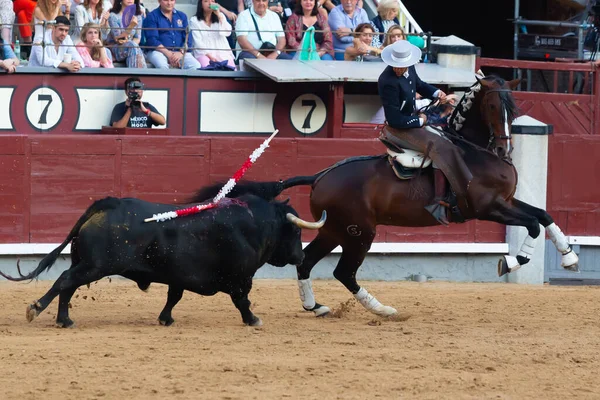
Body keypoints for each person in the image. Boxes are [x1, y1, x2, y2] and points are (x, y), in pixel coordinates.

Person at [378, 40, 473, 225]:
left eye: (402, 66)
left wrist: (437, 93)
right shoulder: (387, 81)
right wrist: (421, 120)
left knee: (447, 139)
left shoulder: (410, 68)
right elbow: (396, 119)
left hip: (412, 123)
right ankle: (437, 202)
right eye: (396, 66)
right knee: (437, 146)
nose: (399, 69)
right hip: (398, 129)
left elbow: (420, 85)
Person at [143, 0, 201, 69]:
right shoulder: (152, 16)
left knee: (196, 66)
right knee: (162, 66)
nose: (169, 3)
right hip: (158, 52)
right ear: (159, 1)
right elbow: (152, 40)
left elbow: (188, 38)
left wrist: (181, 53)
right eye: (166, 0)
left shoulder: (182, 16)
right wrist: (169, 54)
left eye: (172, 0)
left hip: (179, 53)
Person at [189, 0, 236, 69]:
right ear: (201, 4)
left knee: (231, 69)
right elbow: (197, 42)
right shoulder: (194, 20)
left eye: (212, 1)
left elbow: (228, 32)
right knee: (208, 68)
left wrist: (219, 15)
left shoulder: (221, 16)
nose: (210, 3)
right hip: (204, 53)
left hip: (222, 51)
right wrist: (209, 55)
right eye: (206, 1)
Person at [106, 0, 147, 68]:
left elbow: (137, 38)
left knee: (133, 46)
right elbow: (118, 39)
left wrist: (131, 43)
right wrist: (131, 26)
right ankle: (139, 75)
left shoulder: (138, 16)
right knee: (132, 46)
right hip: (116, 47)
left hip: (132, 47)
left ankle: (136, 74)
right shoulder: (113, 16)